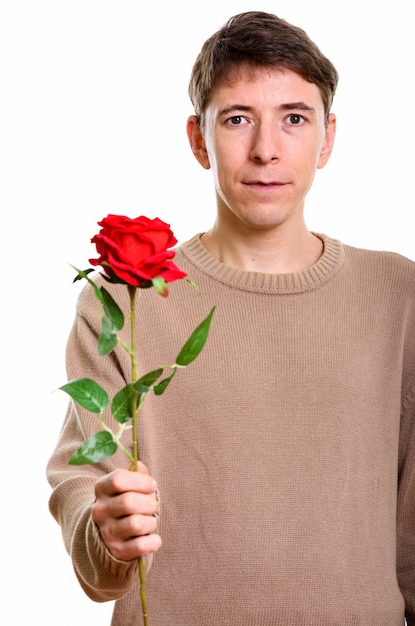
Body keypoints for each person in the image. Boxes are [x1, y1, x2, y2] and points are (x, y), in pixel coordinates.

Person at [46, 10, 415, 625]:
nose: (266, 150)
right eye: (238, 119)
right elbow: (83, 479)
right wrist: (104, 532)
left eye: (294, 119)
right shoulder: (124, 299)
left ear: (327, 138)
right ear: (198, 139)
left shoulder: (398, 293)